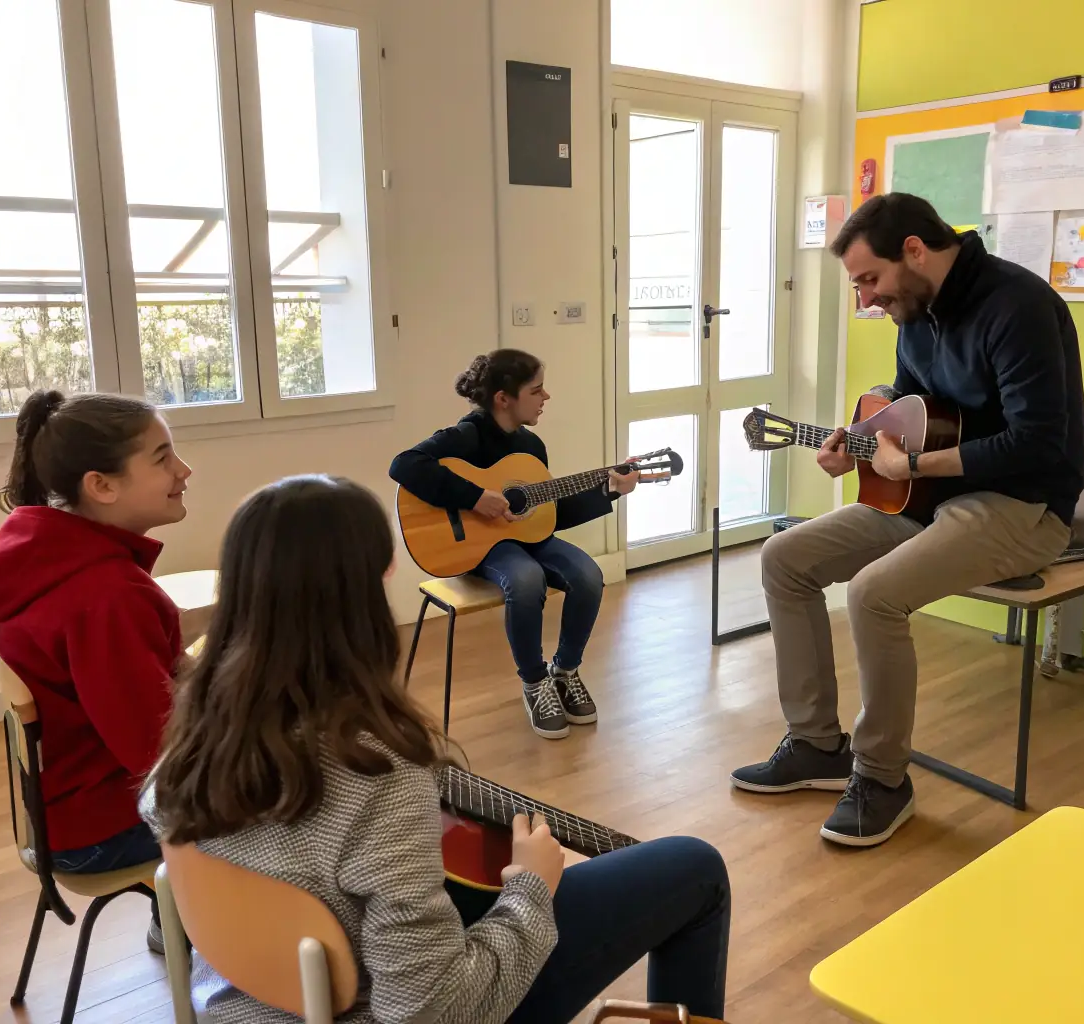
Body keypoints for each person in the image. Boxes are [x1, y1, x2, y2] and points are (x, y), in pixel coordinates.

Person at [147, 475, 731, 1024]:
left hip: (237, 1005)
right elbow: (433, 1010)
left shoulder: (190, 741)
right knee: (695, 867)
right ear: (377, 581)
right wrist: (530, 886)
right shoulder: (377, 774)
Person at [732, 193, 1084, 847]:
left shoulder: (1019, 306)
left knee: (873, 594)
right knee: (784, 558)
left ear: (915, 252)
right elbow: (907, 395)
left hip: (1023, 506)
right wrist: (862, 439)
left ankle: (882, 779)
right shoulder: (915, 309)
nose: (867, 300)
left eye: (869, 280)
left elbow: (1037, 443)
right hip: (928, 502)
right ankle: (815, 745)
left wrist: (915, 467)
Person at [0, 389, 192, 952]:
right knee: (307, 800)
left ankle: (182, 918)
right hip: (102, 829)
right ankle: (253, 957)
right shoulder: (107, 596)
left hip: (66, 813)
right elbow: (159, 751)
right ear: (102, 485)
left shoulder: (50, 556)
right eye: (162, 457)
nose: (183, 470)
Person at [389, 350, 638, 739]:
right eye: (536, 390)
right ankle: (535, 682)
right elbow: (403, 464)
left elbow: (546, 516)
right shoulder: (466, 435)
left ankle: (565, 671)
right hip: (482, 547)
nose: (546, 397)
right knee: (525, 578)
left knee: (589, 573)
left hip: (527, 538)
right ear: (503, 399)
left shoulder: (532, 447)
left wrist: (609, 490)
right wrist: (474, 497)